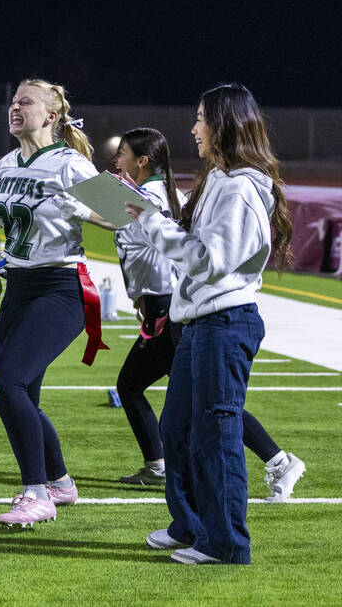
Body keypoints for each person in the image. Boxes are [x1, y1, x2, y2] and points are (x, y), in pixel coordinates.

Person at [125, 84, 295, 565]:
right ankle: (191, 525)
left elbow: (209, 261)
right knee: (175, 428)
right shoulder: (221, 179)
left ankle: (226, 545)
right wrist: (151, 217)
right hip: (200, 323)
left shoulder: (241, 186)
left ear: (222, 125)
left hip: (224, 322)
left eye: (200, 118)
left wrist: (149, 222)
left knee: (215, 437)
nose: (194, 128)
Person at [0, 79, 104, 527]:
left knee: (7, 382)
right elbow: (1, 215)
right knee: (23, 395)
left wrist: (85, 211)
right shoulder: (8, 162)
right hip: (19, 286)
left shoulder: (71, 164)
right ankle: (60, 482)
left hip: (60, 287)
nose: (14, 107)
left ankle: (36, 494)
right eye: (12, 100)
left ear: (51, 115)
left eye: (25, 102)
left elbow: (127, 213)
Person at [110, 128, 305, 500]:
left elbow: (186, 251)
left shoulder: (158, 195)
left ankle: (274, 462)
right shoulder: (173, 192)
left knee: (188, 398)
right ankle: (170, 472)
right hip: (168, 304)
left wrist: (96, 209)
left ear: (142, 160)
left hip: (176, 308)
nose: (116, 160)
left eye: (122, 153)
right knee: (190, 397)